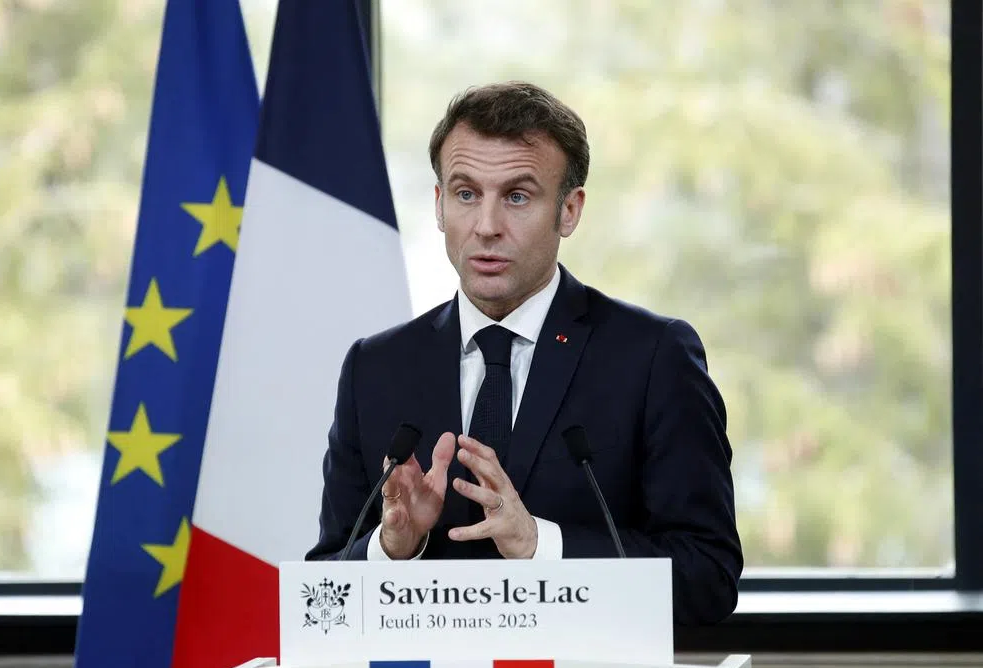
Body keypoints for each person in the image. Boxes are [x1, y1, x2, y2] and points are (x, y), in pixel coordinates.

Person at [305, 81, 742, 625]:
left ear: (569, 211)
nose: (487, 227)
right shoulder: (375, 369)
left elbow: (707, 578)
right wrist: (392, 549)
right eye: (466, 194)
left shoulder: (653, 357)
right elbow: (325, 590)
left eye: (517, 196)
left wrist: (542, 546)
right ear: (439, 206)